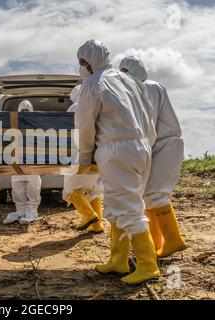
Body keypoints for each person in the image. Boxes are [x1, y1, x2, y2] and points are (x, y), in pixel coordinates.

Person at [76, 39, 160, 284]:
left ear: (90, 61)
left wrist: (84, 158)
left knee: (128, 209)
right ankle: (119, 260)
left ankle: (148, 265)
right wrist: (146, 145)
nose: (82, 67)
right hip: (142, 147)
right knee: (117, 204)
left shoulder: (92, 84)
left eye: (83, 62)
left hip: (115, 150)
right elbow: (148, 116)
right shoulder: (130, 81)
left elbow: (84, 126)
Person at [119, 56, 187, 258]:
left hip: (163, 144)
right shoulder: (154, 87)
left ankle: (173, 240)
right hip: (162, 143)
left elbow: (145, 125)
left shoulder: (148, 88)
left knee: (156, 194)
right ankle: (157, 245)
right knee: (149, 196)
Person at [63, 86, 104, 233]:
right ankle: (97, 225)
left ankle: (89, 216)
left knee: (70, 191)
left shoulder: (75, 107)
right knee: (93, 191)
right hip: (97, 157)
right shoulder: (97, 106)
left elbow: (66, 132)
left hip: (79, 157)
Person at [3, 100, 42, 225]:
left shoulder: (37, 125)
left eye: (27, 111)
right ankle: (20, 211)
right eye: (23, 111)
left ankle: (32, 211)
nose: (25, 113)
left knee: (33, 186)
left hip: (32, 161)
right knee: (17, 187)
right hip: (17, 161)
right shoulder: (13, 125)